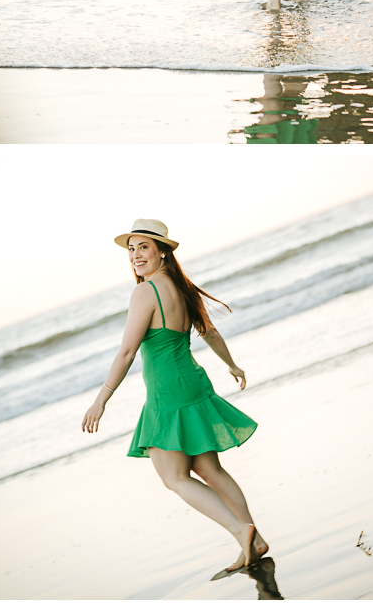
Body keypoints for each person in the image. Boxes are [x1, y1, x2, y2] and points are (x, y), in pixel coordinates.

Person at [81, 218, 268, 571]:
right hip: (194, 382)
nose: (135, 255)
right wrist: (232, 365)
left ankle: (240, 530)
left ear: (162, 252)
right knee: (209, 468)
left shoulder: (145, 291)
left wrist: (100, 400)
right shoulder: (182, 287)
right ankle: (254, 542)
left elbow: (126, 352)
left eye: (144, 247)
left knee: (174, 478)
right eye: (131, 249)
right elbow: (209, 331)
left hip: (168, 394)